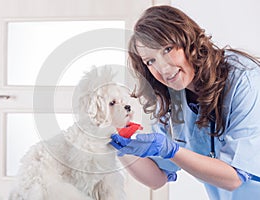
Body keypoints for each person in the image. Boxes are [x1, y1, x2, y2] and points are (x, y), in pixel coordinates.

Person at [110, 5, 260, 199]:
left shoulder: (244, 80)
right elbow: (157, 178)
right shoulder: (171, 100)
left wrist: (171, 150)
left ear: (188, 40)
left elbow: (234, 178)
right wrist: (120, 145)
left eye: (167, 49)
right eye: (150, 61)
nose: (163, 68)